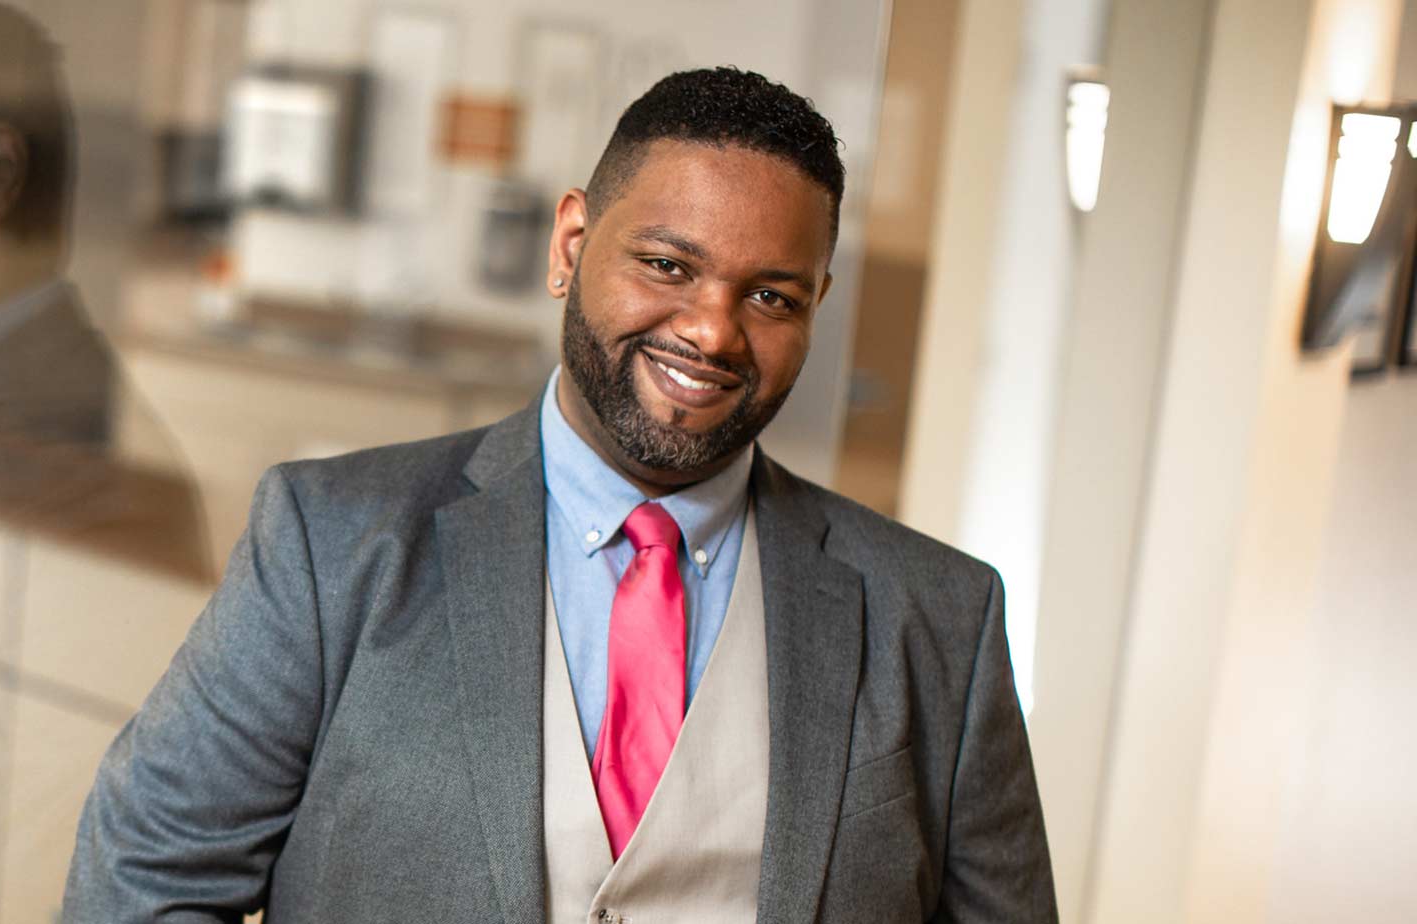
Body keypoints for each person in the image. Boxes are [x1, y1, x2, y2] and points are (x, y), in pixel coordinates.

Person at [63, 67, 1058, 922]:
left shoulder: (939, 622)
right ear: (571, 245)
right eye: (668, 265)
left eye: (769, 296)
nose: (714, 331)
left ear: (815, 308)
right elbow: (144, 876)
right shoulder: (332, 544)